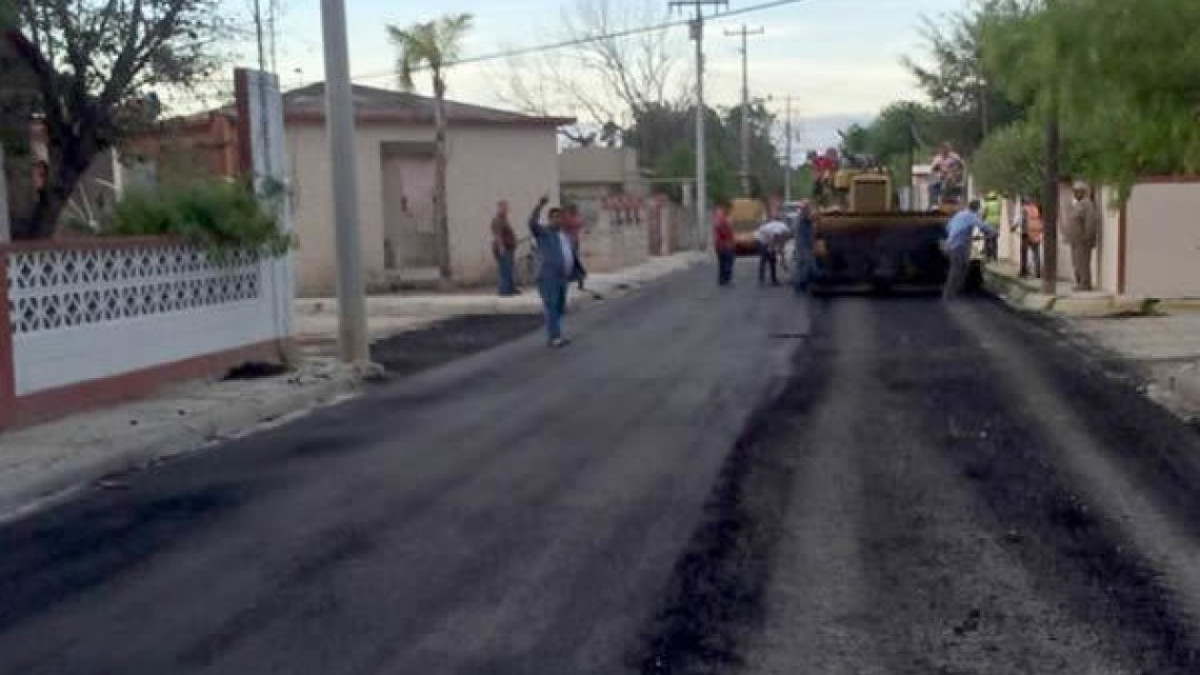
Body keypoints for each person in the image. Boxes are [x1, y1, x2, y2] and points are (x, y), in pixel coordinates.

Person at [527, 196, 576, 347]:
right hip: (548, 275)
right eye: (555, 218)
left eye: (559, 218)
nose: (558, 221)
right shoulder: (543, 232)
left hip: (562, 276)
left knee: (559, 306)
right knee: (551, 305)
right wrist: (539, 205)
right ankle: (554, 337)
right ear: (549, 219)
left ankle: (556, 333)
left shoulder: (560, 235)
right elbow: (531, 223)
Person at [942, 199, 997, 300]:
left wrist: (962, 234)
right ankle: (949, 294)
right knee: (957, 269)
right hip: (959, 246)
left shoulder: (959, 215)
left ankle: (954, 292)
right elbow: (983, 226)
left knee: (962, 267)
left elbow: (948, 228)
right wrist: (993, 232)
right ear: (977, 208)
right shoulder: (971, 216)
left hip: (951, 245)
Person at [1066, 180, 1100, 291]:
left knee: (1083, 263)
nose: (1075, 193)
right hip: (1075, 240)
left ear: (1083, 192)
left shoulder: (1087, 205)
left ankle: (1085, 284)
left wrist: (1087, 237)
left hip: (1082, 240)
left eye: (1077, 191)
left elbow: (1090, 222)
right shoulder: (1076, 204)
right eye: (1074, 191)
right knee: (1076, 262)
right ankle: (1079, 282)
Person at [1011, 196, 1043, 279]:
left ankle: (1024, 271)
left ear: (1023, 202)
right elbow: (1040, 220)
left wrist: (1013, 227)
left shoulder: (1024, 209)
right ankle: (1038, 272)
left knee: (1024, 253)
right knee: (1036, 253)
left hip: (1026, 233)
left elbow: (1019, 220)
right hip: (1036, 232)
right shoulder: (1035, 209)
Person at [491, 200, 517, 296]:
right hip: (504, 249)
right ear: (499, 209)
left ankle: (510, 288)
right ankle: (504, 290)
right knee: (504, 269)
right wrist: (501, 247)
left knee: (509, 269)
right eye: (503, 208)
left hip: (509, 248)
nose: (506, 210)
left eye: (506, 208)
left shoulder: (504, 220)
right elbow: (498, 235)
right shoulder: (498, 221)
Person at [790, 201, 817, 296]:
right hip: (803, 245)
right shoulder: (803, 219)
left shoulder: (801, 219)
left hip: (803, 245)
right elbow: (809, 224)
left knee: (804, 265)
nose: (809, 210)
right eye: (808, 208)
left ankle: (801, 285)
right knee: (805, 266)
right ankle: (800, 286)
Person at [755, 218, 790, 286]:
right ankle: (761, 279)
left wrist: (783, 260)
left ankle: (774, 279)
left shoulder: (785, 231)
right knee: (764, 258)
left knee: (773, 260)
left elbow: (781, 246)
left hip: (768, 239)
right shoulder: (775, 231)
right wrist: (771, 249)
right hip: (761, 240)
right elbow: (772, 242)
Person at [562, 203, 588, 290]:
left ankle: (580, 279)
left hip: (572, 241)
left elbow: (579, 224)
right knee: (570, 261)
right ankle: (578, 279)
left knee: (573, 261)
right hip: (568, 241)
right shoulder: (572, 217)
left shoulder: (573, 217)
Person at [713, 202, 736, 286]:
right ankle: (726, 279)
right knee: (728, 262)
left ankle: (722, 279)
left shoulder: (717, 220)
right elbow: (726, 233)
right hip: (725, 245)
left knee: (722, 263)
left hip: (719, 245)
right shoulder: (722, 221)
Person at [981, 191, 1002, 262]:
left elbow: (984, 213)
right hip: (996, 223)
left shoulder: (987, 204)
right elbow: (999, 213)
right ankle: (995, 256)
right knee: (994, 240)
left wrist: (982, 219)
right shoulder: (998, 204)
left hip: (988, 223)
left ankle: (988, 256)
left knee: (987, 240)